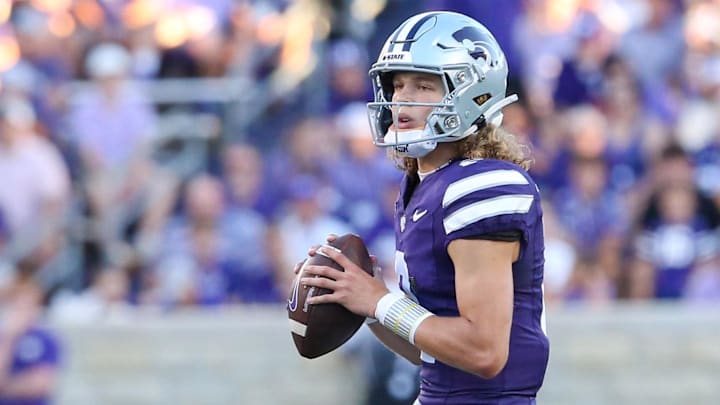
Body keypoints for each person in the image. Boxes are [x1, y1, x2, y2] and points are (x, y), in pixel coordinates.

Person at [297, 11, 549, 404]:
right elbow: (432, 353)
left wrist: (381, 301)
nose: (401, 99)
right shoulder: (421, 187)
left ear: (472, 92)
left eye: (423, 85)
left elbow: (484, 352)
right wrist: (362, 302)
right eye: (397, 85)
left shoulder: (482, 186)